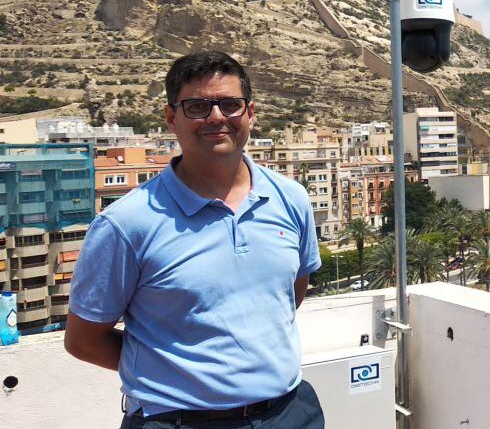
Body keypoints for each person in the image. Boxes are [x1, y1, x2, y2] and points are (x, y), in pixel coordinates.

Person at [65, 51, 324, 428]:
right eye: (198, 106)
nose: (217, 117)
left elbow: (289, 294)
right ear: (172, 117)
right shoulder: (126, 223)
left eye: (230, 105)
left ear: (250, 113)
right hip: (179, 422)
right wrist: (174, 369)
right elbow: (84, 339)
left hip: (289, 413)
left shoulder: (291, 198)